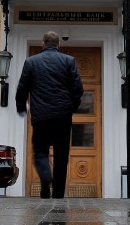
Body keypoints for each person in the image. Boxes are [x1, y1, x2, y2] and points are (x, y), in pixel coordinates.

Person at [15, 31, 84, 199]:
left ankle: (45, 176)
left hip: (41, 117)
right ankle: (58, 194)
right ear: (58, 45)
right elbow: (78, 89)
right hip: (63, 116)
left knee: (40, 152)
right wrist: (72, 107)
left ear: (42, 44)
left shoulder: (31, 62)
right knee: (62, 154)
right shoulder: (68, 61)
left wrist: (21, 108)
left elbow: (22, 88)